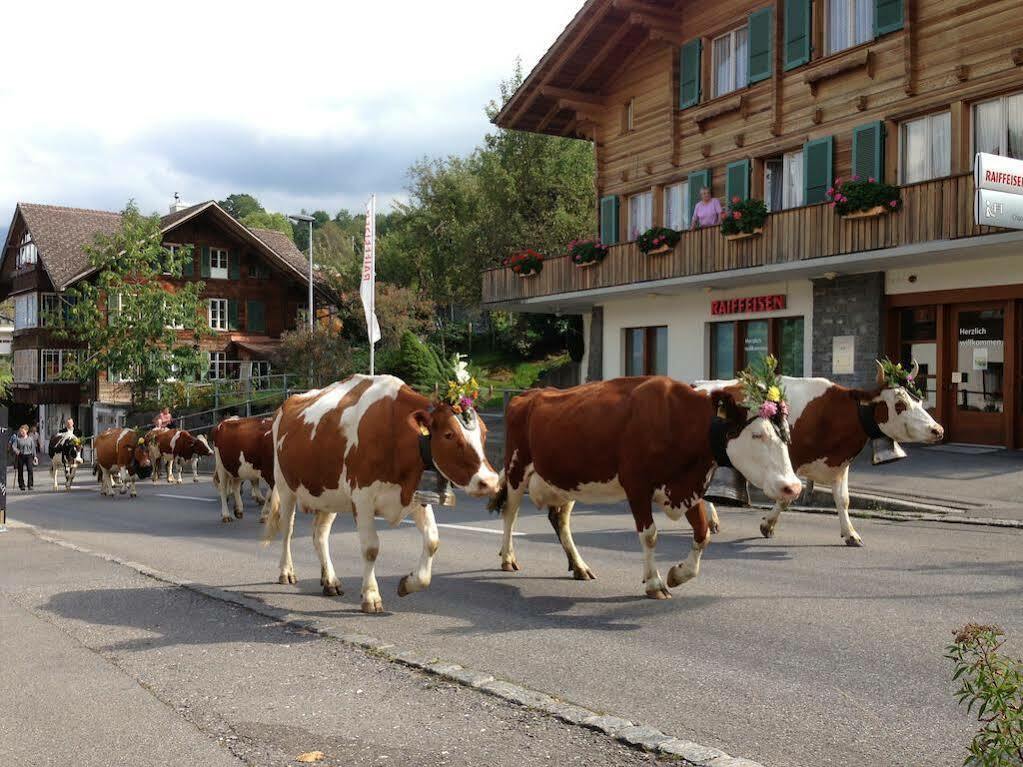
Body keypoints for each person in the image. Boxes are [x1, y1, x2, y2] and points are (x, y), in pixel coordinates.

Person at [13, 425, 36, 491]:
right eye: (20, 431)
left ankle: (30, 485)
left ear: (26, 431)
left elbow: (33, 448)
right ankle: (21, 485)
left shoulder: (30, 439)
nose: (21, 433)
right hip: (21, 455)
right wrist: (17, 451)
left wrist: (35, 456)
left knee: (30, 470)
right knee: (20, 471)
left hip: (29, 455)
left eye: (23, 431)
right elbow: (14, 446)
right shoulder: (18, 439)